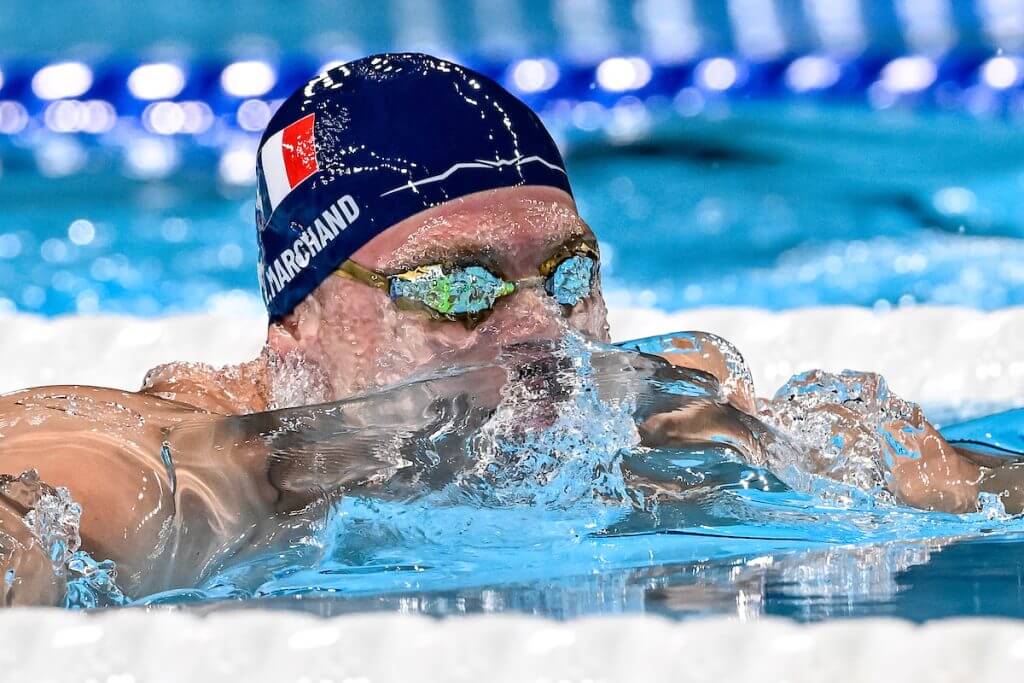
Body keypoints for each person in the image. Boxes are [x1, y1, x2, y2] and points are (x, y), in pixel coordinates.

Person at [0, 53, 1013, 607]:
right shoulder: (192, 471)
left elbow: (963, 483)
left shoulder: (676, 425)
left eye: (568, 272)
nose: (544, 331)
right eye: (456, 287)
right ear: (299, 318)